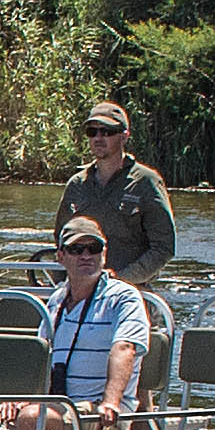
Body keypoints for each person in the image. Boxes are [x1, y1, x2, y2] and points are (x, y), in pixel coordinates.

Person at [0, 217, 155, 430]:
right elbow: (41, 359)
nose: (86, 255)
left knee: (33, 419)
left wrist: (111, 401)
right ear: (61, 256)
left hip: (99, 415)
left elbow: (125, 349)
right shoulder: (57, 300)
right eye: (76, 249)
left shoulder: (124, 297)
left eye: (94, 248)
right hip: (54, 405)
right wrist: (22, 396)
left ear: (104, 253)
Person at [58, 101, 179, 289]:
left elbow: (163, 248)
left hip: (132, 293)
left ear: (124, 136)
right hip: (82, 293)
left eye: (106, 131)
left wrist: (120, 280)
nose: (98, 137)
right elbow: (62, 240)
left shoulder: (146, 182)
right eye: (92, 132)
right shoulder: (76, 184)